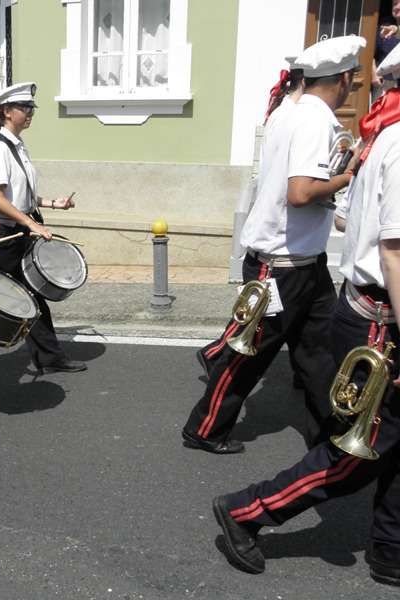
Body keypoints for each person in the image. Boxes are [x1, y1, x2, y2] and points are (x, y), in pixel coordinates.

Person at [212, 44, 400, 586]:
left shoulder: (361, 131)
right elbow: (386, 245)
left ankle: (389, 547)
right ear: (340, 80)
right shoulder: (330, 123)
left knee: (317, 371)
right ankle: (250, 508)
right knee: (358, 451)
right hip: (345, 294)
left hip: (318, 273)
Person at [182, 36, 365, 454]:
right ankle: (205, 428)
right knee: (249, 357)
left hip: (304, 260)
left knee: (319, 353)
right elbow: (301, 191)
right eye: (352, 81)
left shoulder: (289, 110)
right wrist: (349, 174)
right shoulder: (316, 121)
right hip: (280, 265)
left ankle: (330, 434)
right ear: (342, 78)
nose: (351, 88)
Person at [0, 82, 86, 376]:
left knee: (32, 294)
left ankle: (49, 356)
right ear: (6, 112)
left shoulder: (16, 145)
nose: (30, 113)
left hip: (21, 229)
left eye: (31, 108)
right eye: (24, 108)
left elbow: (21, 195)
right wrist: (32, 224)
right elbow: (0, 200)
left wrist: (54, 203)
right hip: (0, 234)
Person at [197, 57, 305, 380]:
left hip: (277, 242)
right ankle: (217, 363)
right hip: (272, 248)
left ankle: (218, 357)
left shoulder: (283, 114)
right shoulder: (293, 118)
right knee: (257, 328)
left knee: (288, 329)